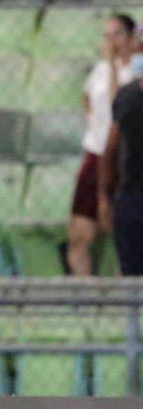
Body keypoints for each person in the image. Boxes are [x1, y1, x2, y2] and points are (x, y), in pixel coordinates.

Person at [68, 14, 136, 276]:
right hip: (95, 152)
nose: (111, 41)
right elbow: (87, 97)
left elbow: (116, 104)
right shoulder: (100, 70)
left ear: (131, 38)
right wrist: (92, 122)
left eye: (117, 34)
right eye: (107, 35)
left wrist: (113, 64)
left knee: (124, 236)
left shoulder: (134, 72)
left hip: (122, 157)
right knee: (78, 235)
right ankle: (85, 303)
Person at [98, 32, 143, 276]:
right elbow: (111, 150)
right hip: (131, 195)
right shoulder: (127, 96)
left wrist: (105, 196)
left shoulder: (128, 96)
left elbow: (111, 149)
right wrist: (106, 196)